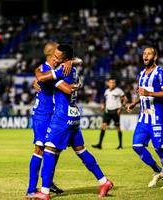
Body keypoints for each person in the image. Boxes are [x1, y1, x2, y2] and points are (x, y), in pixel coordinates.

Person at [31, 44, 113, 200]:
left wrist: (39, 73)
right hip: (74, 115)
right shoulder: (72, 69)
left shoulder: (62, 70)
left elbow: (41, 78)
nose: (54, 59)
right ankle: (104, 181)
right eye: (53, 56)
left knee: (48, 150)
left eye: (57, 57)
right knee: (81, 150)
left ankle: (45, 192)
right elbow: (69, 85)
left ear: (65, 60)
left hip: (62, 117)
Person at [127, 47, 163, 189]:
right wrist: (135, 103)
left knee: (159, 149)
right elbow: (142, 93)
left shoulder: (160, 72)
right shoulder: (142, 74)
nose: (145, 56)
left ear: (155, 57)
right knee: (137, 146)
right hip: (143, 117)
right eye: (144, 53)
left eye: (149, 54)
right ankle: (158, 170)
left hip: (157, 117)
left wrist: (149, 93)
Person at [26, 42, 64, 197]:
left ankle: (48, 182)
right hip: (43, 115)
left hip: (53, 114)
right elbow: (43, 76)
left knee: (55, 149)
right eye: (58, 49)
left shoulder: (49, 68)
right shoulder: (46, 71)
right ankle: (31, 189)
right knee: (40, 149)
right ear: (51, 53)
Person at [92, 78, 127, 150]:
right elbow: (105, 100)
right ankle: (99, 144)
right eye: (110, 82)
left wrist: (121, 107)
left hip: (115, 111)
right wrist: (103, 105)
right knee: (103, 126)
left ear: (115, 84)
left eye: (113, 83)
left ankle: (120, 145)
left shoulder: (119, 91)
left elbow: (124, 98)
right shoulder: (106, 91)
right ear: (108, 83)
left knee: (118, 128)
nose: (112, 84)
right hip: (107, 111)